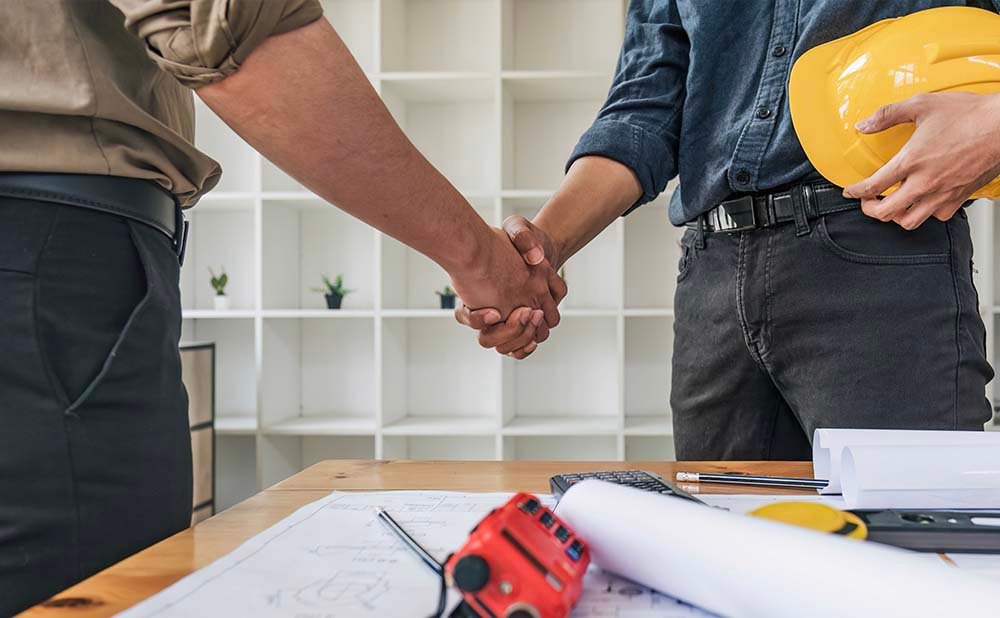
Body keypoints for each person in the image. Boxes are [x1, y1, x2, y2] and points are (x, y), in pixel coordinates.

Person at [0, 1, 562, 613]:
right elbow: (218, 24)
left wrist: (496, 261)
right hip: (44, 255)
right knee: (93, 588)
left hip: (46, 255)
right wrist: (482, 261)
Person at [459, 1, 999, 460]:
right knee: (722, 547)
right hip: (711, 279)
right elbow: (645, 111)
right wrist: (541, 248)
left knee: (908, 553)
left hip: (879, 251)